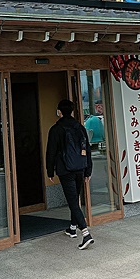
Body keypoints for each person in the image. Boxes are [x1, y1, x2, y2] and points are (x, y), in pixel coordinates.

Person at [46, 99, 94, 250]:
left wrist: (50, 171)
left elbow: (51, 152)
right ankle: (72, 228)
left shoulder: (56, 129)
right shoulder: (80, 127)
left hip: (65, 170)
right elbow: (87, 149)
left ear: (59, 112)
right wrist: (88, 170)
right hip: (80, 167)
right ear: (72, 111)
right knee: (75, 198)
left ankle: (85, 233)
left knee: (73, 201)